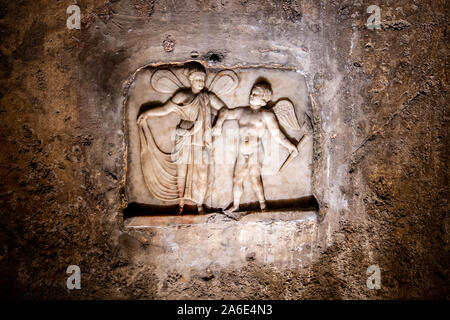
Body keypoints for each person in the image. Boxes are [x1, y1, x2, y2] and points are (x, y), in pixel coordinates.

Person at [138, 62, 226, 213]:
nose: (201, 83)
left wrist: (218, 125)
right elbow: (165, 109)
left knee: (201, 173)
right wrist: (147, 113)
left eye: (203, 80)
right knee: (182, 171)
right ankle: (181, 204)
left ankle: (199, 205)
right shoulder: (182, 95)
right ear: (191, 80)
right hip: (184, 135)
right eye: (198, 80)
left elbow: (224, 109)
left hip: (201, 138)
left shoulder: (207, 97)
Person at [212, 82, 298, 212]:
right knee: (237, 178)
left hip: (255, 151)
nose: (251, 95)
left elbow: (277, 134)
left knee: (255, 178)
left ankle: (263, 205)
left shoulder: (266, 115)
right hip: (241, 152)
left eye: (256, 94)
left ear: (263, 100)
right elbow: (224, 112)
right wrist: (218, 125)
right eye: (252, 92)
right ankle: (236, 205)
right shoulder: (242, 111)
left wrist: (290, 145)